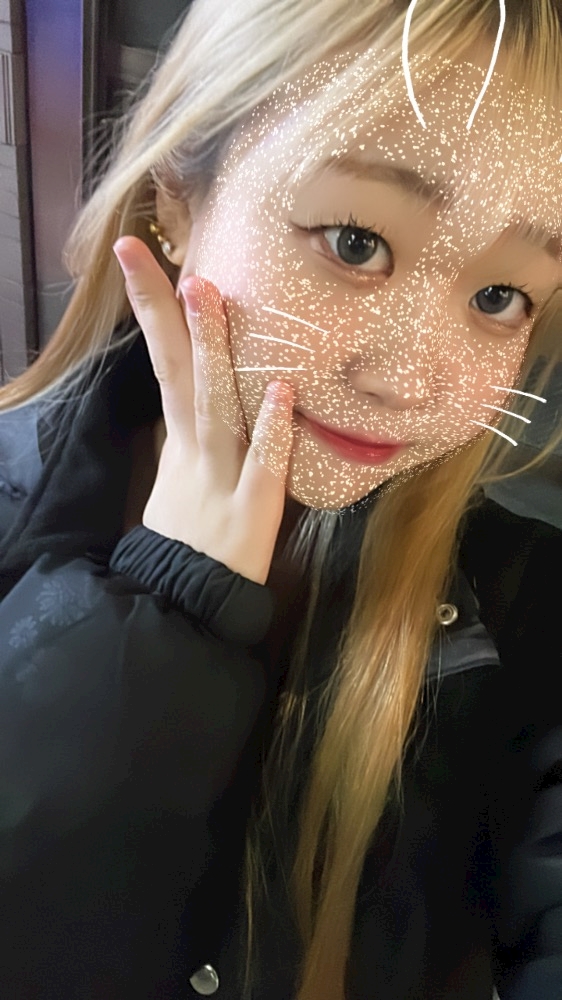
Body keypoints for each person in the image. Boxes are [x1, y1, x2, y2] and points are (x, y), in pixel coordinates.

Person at [0, 0, 561, 997]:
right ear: (177, 198)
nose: (406, 384)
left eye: (497, 298)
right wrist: (171, 610)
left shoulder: (531, 606)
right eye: (354, 241)